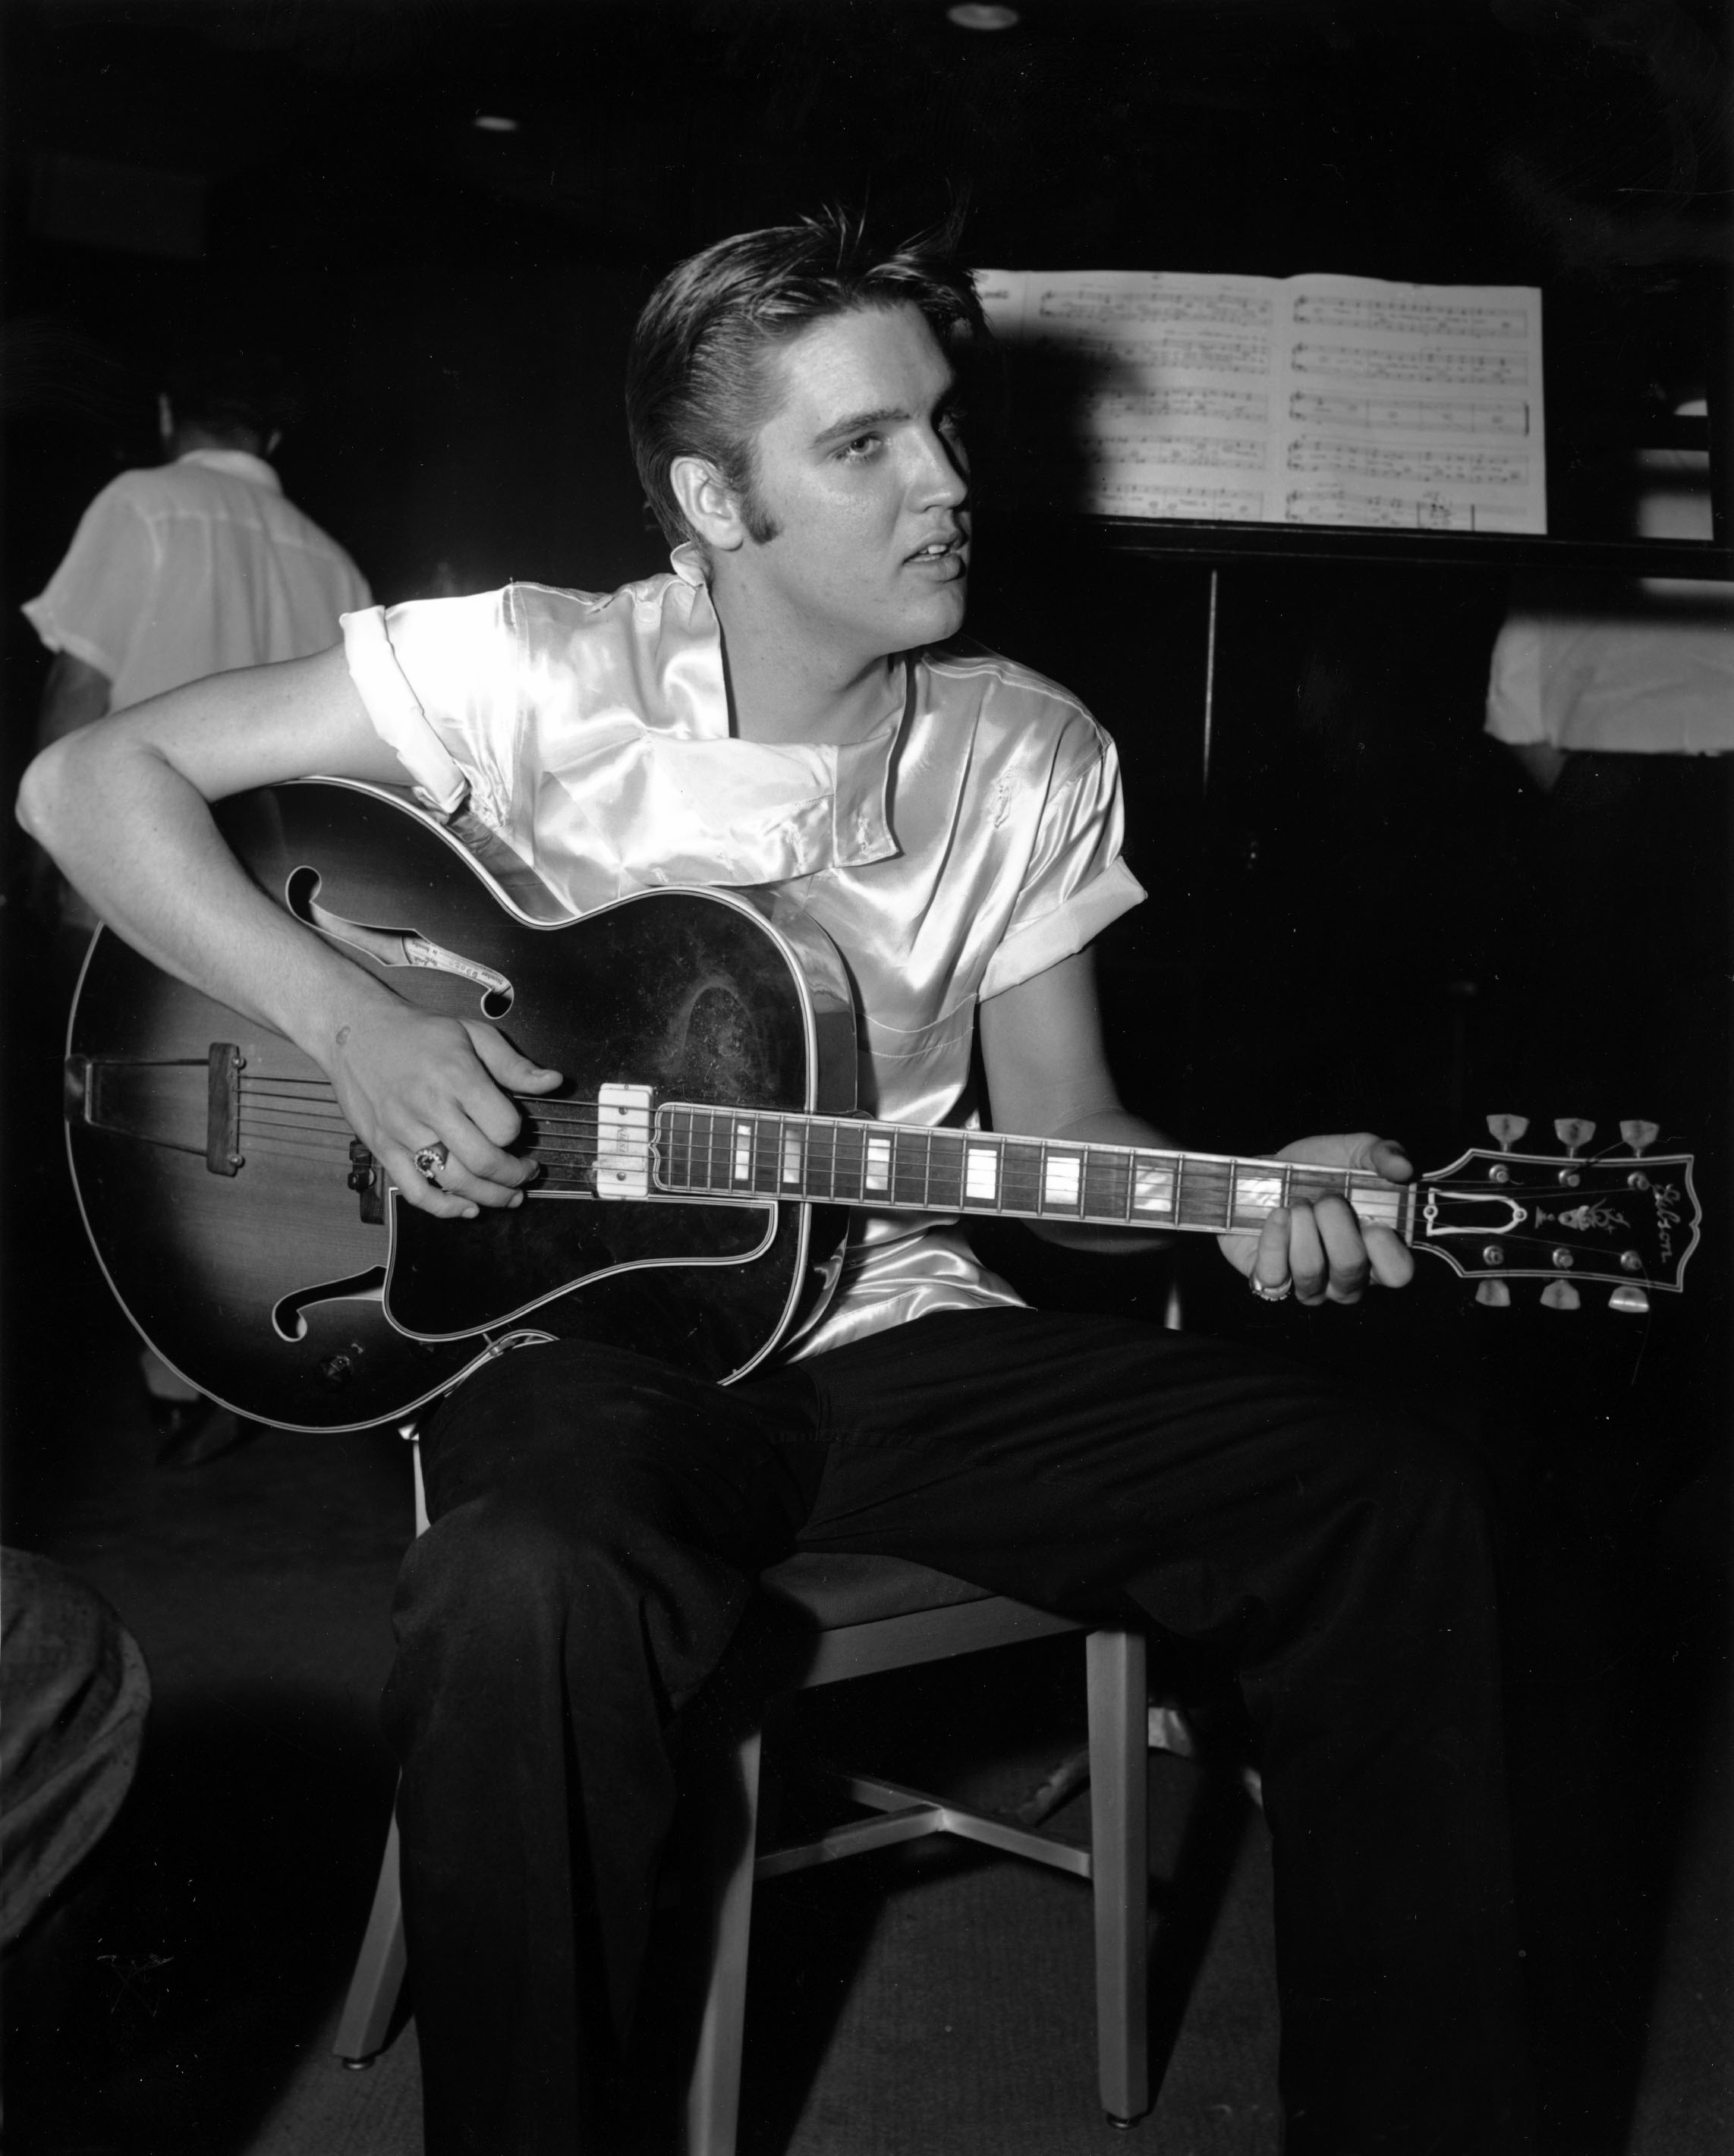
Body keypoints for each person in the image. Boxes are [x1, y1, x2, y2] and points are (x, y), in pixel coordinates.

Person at [18, 212, 1530, 2154]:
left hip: (898, 1330)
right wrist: (351, 1022)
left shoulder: (1027, 750)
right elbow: (82, 785)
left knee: (1391, 1498)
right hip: (583, 1354)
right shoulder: (531, 668)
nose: (948, 481)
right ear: (714, 501)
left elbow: (1071, 1138)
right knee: (523, 1582)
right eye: (867, 444)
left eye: (946, 424)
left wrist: (1250, 1196)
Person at [23, 345, 372, 1459]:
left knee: (121, 1124)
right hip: (274, 900)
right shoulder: (332, 557)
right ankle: (231, 1350)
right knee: (237, 1131)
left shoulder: (141, 502)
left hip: (138, 873)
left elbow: (81, 688)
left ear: (173, 410)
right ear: (273, 433)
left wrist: (49, 857)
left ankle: (172, 1377)